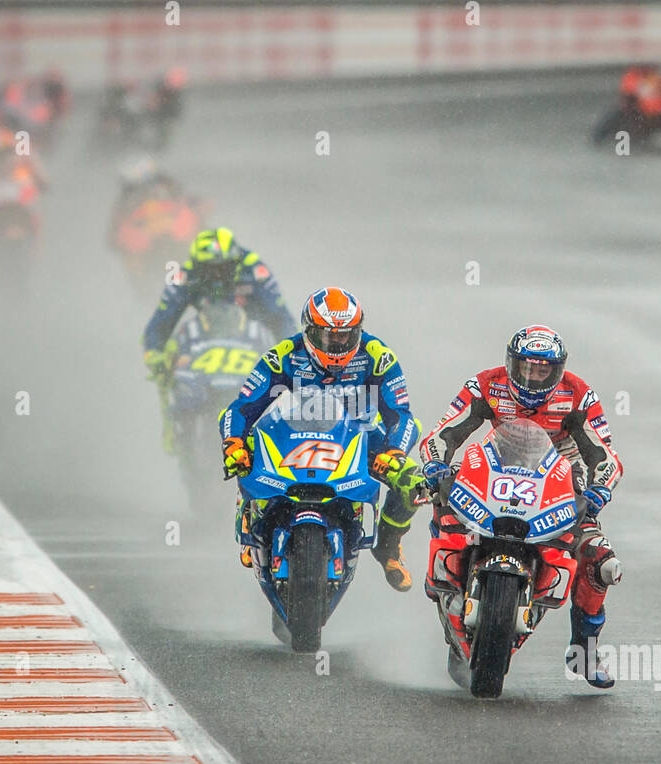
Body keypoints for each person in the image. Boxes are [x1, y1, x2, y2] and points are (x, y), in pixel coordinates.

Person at [418, 325, 624, 687]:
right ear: (511, 363)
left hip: (561, 475)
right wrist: (436, 463)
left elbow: (604, 454)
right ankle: (444, 583)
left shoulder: (578, 395)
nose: (533, 377)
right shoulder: (485, 384)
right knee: (443, 494)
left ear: (557, 370)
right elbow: (443, 431)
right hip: (496, 461)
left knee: (602, 562)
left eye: (543, 370)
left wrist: (599, 489)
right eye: (526, 367)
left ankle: (585, 652)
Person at [218, 287, 423, 590]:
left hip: (361, 435)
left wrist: (394, 451)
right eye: (330, 336)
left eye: (346, 336)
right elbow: (239, 409)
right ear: (310, 331)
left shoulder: (379, 357)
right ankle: (249, 516)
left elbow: (403, 416)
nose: (338, 344)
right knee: (244, 448)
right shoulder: (283, 355)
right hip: (293, 434)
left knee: (412, 482)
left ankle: (388, 547)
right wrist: (233, 443)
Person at [142, 228, 293, 370]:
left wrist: (289, 355)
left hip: (251, 341)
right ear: (196, 265)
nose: (217, 276)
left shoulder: (254, 269)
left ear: (235, 262)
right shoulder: (186, 276)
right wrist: (154, 353)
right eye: (209, 269)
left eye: (223, 268)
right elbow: (163, 318)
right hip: (203, 344)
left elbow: (280, 315)